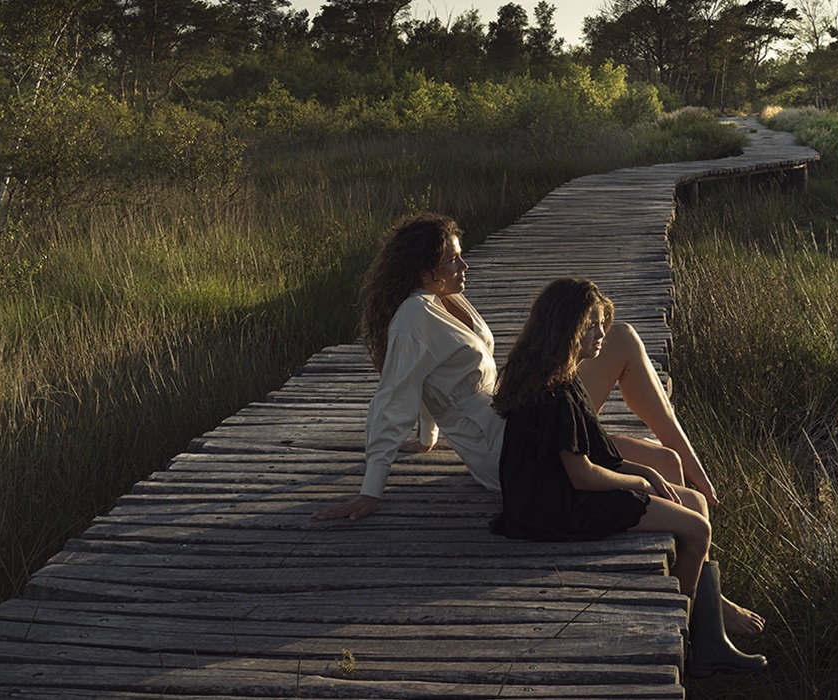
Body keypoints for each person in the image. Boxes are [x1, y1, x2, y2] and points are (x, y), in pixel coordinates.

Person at [308, 213, 764, 635]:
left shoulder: (445, 298)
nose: (464, 262)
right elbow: (395, 394)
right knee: (622, 343)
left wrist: (428, 438)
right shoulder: (412, 318)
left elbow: (430, 375)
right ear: (425, 270)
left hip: (513, 411)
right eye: (452, 257)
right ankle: (705, 602)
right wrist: (372, 487)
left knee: (662, 457)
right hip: (505, 445)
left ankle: (703, 586)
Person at [487, 277, 765, 677]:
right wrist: (641, 483)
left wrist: (647, 469)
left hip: (556, 491)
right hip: (556, 507)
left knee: (696, 503)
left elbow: (597, 449)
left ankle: (709, 627)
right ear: (565, 328)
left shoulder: (560, 374)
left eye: (602, 323)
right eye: (591, 326)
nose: (601, 334)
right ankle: (694, 636)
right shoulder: (555, 395)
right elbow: (582, 475)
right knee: (698, 529)